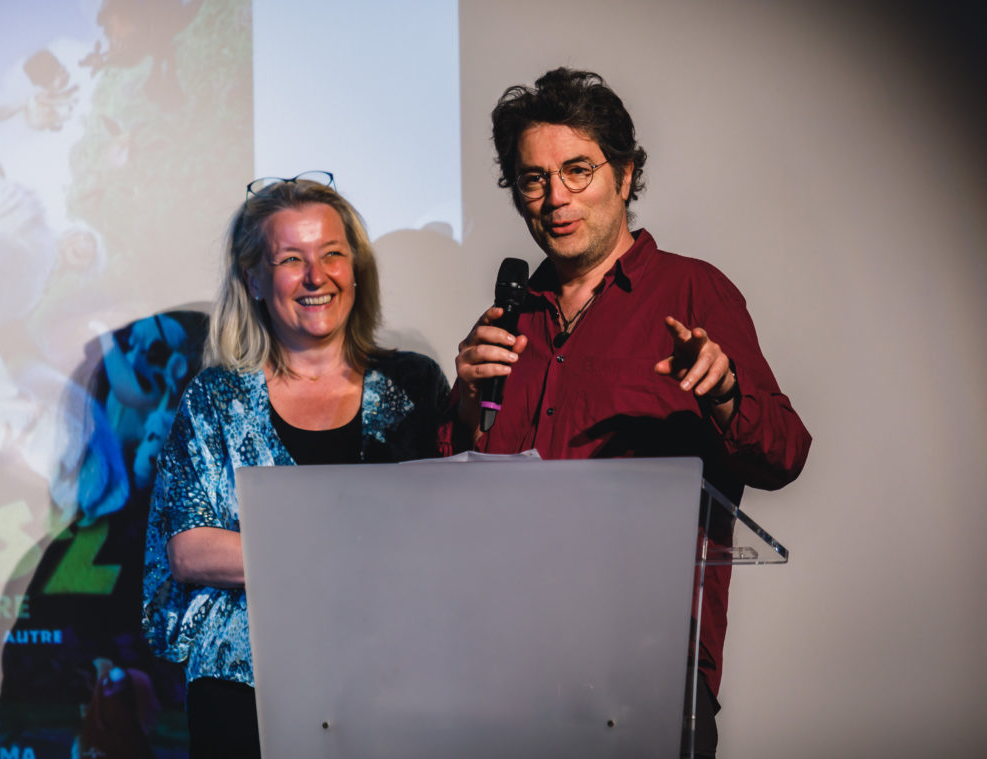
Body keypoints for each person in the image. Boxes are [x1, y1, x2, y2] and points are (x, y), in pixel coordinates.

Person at [442, 68, 812, 757]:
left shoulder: (692, 292)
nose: (555, 197)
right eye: (533, 178)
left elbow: (785, 452)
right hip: (503, 661)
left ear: (625, 173)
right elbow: (445, 497)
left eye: (577, 170)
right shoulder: (509, 319)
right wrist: (463, 403)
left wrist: (725, 395)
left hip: (643, 663)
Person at [143, 172, 449, 758]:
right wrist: (350, 548)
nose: (316, 276)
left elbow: (446, 528)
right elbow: (190, 549)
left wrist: (276, 550)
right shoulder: (216, 398)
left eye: (332, 254)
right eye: (290, 259)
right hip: (244, 690)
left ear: (356, 269)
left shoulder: (415, 384)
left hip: (392, 677)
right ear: (254, 279)